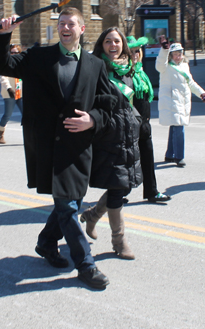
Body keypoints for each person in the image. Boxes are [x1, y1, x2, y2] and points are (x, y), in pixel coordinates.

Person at [0, 7, 114, 289]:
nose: (65, 28)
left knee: (69, 201)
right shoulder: (38, 56)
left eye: (71, 24)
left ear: (82, 29)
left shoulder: (96, 65)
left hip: (78, 146)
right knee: (68, 205)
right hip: (46, 144)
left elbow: (109, 104)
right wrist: (3, 36)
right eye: (61, 24)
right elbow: (1, 64)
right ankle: (86, 265)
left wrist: (92, 120)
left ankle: (46, 243)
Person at [80, 27, 142, 260]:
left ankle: (93, 215)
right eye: (108, 41)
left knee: (124, 186)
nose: (113, 45)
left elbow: (134, 102)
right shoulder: (95, 68)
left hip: (129, 135)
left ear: (123, 45)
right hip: (108, 135)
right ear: (102, 45)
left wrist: (140, 124)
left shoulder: (129, 70)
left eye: (117, 41)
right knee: (118, 188)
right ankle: (119, 241)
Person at [128, 35, 170, 203]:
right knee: (126, 161)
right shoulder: (124, 73)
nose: (135, 54)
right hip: (131, 125)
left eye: (137, 51)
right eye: (131, 51)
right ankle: (117, 193)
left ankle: (152, 192)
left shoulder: (141, 72)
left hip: (144, 125)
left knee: (147, 158)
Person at [156, 37, 205, 168]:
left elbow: (190, 82)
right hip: (171, 101)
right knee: (179, 128)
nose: (177, 57)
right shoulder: (166, 67)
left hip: (182, 100)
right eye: (174, 54)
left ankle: (170, 154)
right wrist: (164, 50)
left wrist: (201, 93)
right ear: (170, 55)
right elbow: (159, 63)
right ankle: (179, 157)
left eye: (179, 54)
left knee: (175, 127)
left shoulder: (184, 66)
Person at [0, 44, 23, 144]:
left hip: (20, 94)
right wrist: (9, 88)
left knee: (26, 115)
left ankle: (29, 135)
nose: (14, 54)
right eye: (12, 52)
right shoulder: (7, 63)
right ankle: (0, 134)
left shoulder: (21, 63)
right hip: (9, 94)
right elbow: (3, 78)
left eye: (17, 52)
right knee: (7, 115)